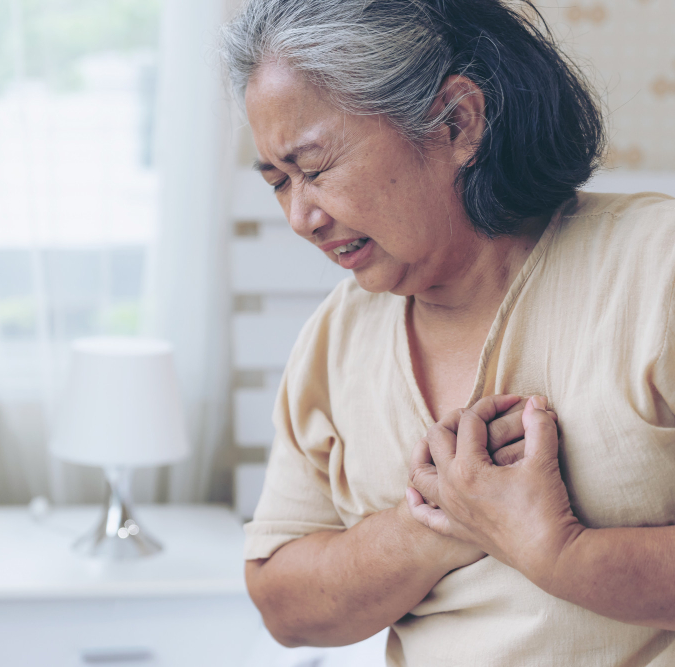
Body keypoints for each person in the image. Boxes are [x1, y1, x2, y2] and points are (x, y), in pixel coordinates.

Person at [218, 1, 675, 665]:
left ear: (457, 123)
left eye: (314, 169)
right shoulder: (336, 336)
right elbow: (283, 603)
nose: (300, 216)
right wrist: (434, 520)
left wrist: (559, 550)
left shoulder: (656, 268)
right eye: (278, 183)